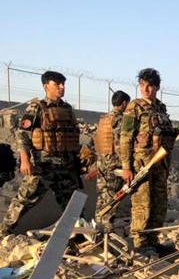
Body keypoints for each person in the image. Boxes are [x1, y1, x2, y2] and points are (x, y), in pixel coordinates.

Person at [1, 71, 83, 235]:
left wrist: (78, 160)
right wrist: (25, 160)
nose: (62, 87)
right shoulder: (36, 108)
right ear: (46, 86)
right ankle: (4, 231)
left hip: (66, 167)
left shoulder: (67, 109)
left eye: (63, 84)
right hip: (44, 166)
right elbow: (22, 135)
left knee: (74, 205)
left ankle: (79, 236)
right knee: (24, 201)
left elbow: (73, 136)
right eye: (57, 84)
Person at [119, 68, 179, 255]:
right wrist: (126, 167)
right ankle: (140, 243)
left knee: (159, 203)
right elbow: (125, 138)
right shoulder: (134, 107)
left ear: (157, 87)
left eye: (150, 86)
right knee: (142, 203)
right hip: (141, 165)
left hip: (160, 164)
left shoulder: (160, 109)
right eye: (143, 85)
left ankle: (153, 240)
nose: (146, 89)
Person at [89, 90, 131, 227]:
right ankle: (104, 228)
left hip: (102, 164)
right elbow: (122, 144)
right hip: (114, 165)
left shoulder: (104, 119)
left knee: (102, 197)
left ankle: (98, 225)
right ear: (124, 103)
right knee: (111, 198)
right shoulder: (122, 120)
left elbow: (94, 141)